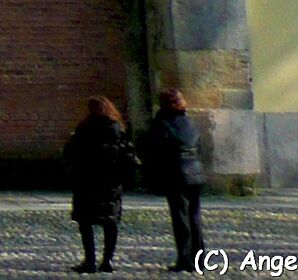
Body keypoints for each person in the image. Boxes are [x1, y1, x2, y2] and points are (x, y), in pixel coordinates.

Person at [137, 87, 207, 270]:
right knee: (195, 218)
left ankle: (185, 259)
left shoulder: (162, 123)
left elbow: (153, 149)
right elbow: (199, 146)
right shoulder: (188, 121)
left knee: (180, 218)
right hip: (196, 172)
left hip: (176, 174)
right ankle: (199, 258)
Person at [65, 95, 137, 272]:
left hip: (87, 181)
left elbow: (71, 152)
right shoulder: (116, 128)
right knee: (110, 222)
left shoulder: (84, 128)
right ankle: (108, 260)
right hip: (111, 182)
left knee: (86, 222)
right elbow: (127, 154)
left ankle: (89, 260)